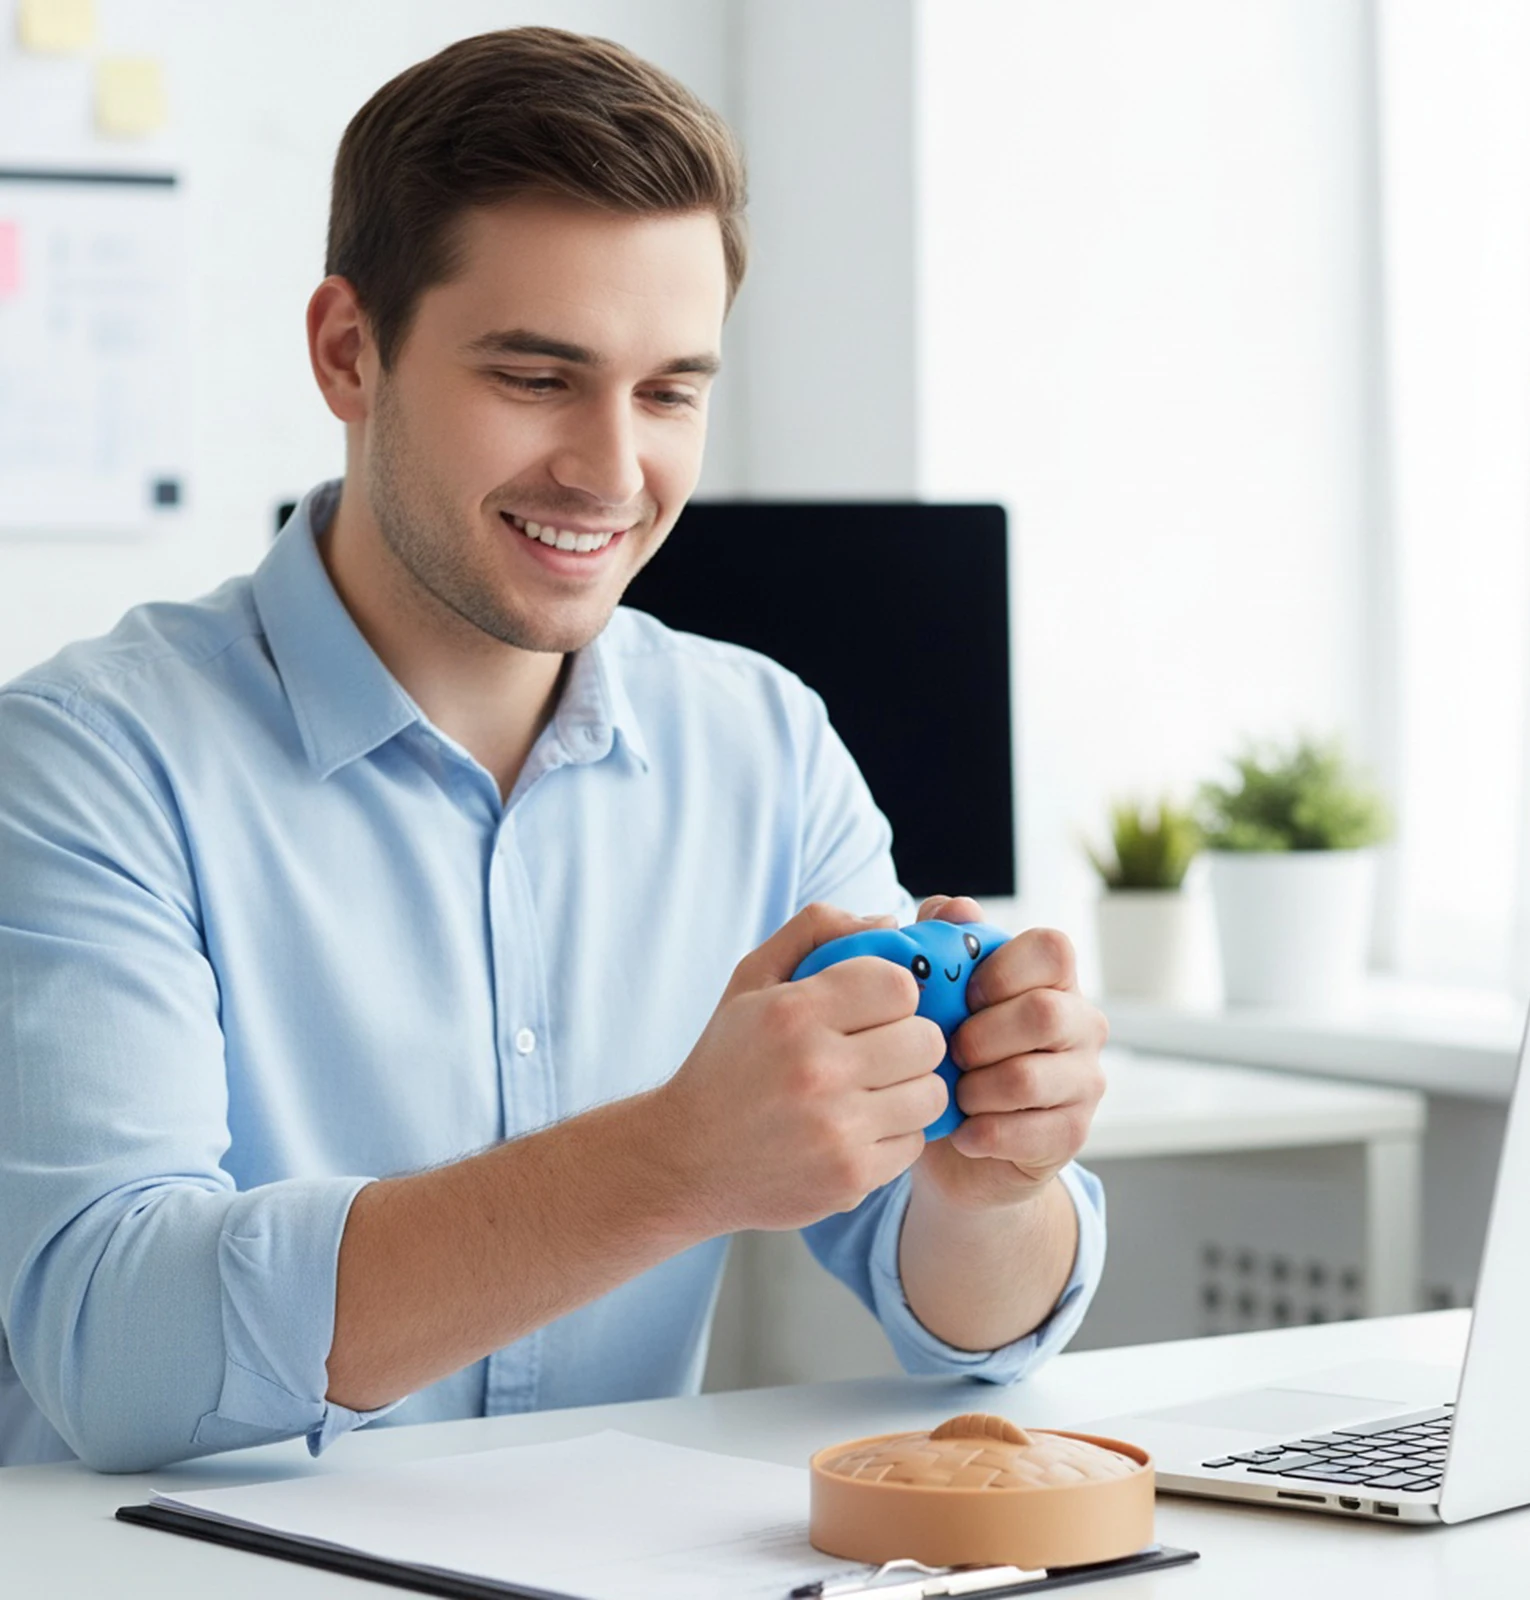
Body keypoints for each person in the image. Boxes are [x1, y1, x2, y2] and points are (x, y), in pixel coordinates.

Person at [0, 26, 1107, 1473]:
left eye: (669, 392)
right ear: (350, 351)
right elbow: (116, 1346)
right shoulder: (88, 762)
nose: (611, 469)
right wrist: (671, 1163)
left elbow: (962, 1308)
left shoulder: (761, 745)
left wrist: (995, 1183)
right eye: (536, 377)